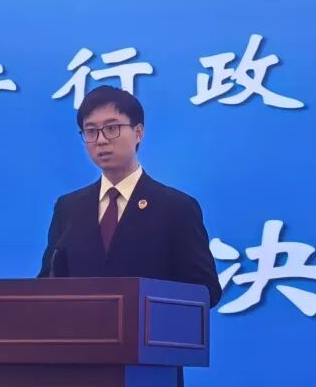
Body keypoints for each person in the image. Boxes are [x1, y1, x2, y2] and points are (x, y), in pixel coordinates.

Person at [37, 85, 221, 309]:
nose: (101, 140)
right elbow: (47, 284)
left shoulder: (176, 208)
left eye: (112, 128)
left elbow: (205, 290)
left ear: (138, 132)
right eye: (91, 131)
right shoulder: (69, 208)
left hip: (149, 329)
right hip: (81, 330)